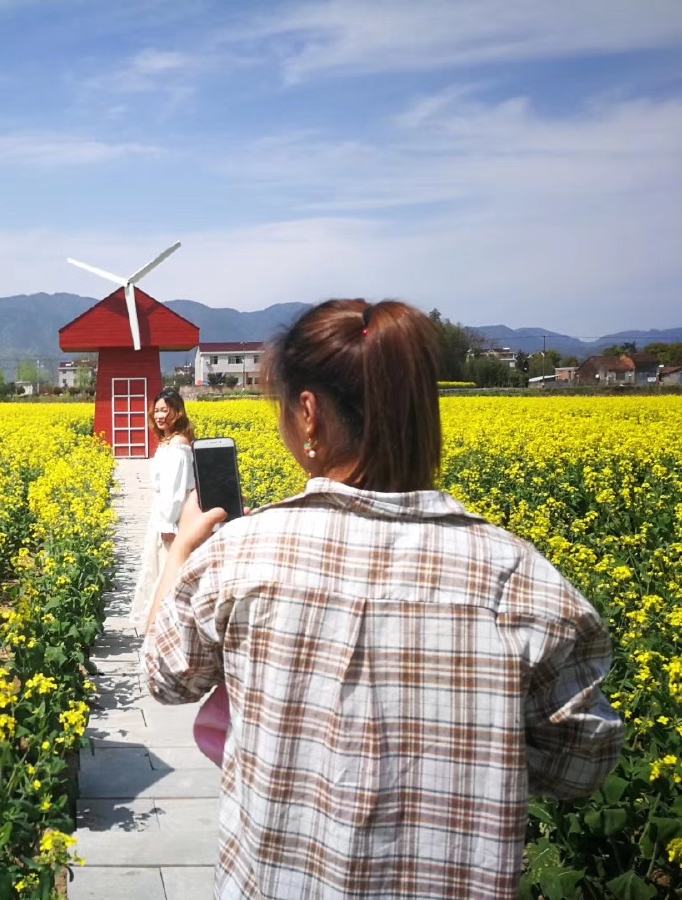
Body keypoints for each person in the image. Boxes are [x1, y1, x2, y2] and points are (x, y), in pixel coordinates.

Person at [142, 299, 623, 899]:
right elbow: (583, 765)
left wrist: (185, 549)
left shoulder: (242, 555)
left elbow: (165, 678)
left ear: (309, 414)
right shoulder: (522, 580)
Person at [131, 388, 195, 630]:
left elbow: (176, 490)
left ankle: (165, 626)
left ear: (176, 412)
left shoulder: (178, 444)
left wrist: (168, 524)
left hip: (173, 518)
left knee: (169, 573)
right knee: (162, 569)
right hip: (162, 513)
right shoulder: (168, 441)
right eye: (156, 410)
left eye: (164, 410)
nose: (159, 415)